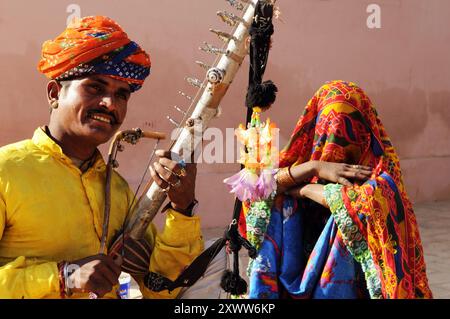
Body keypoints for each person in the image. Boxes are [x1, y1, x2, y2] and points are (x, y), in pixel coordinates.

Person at [0, 15, 225, 299]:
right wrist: (63, 276)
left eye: (121, 95)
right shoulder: (6, 170)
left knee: (221, 256)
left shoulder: (116, 190)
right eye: (95, 87)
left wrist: (181, 208)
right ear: (55, 92)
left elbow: (160, 289)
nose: (110, 104)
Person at [241, 80, 432, 299]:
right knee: (275, 202)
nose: (337, 138)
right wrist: (315, 167)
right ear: (316, 128)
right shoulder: (305, 166)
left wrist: (304, 190)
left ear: (365, 130)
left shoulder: (378, 177)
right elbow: (257, 189)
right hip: (298, 275)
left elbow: (360, 202)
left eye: (347, 126)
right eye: (329, 127)